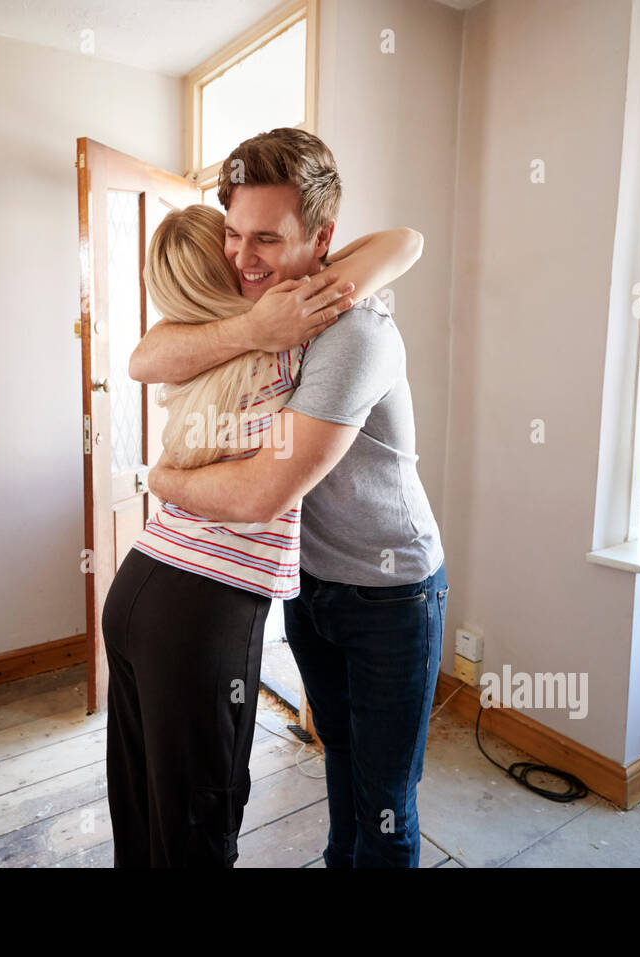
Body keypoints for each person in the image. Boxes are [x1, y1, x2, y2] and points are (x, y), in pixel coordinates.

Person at [133, 128, 447, 868]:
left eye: (267, 238)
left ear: (323, 240)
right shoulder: (264, 317)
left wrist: (163, 481)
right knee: (336, 752)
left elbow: (264, 490)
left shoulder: (354, 334)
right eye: (234, 234)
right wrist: (248, 325)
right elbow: (147, 356)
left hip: (390, 595)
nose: (242, 258)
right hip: (311, 588)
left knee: (386, 803)